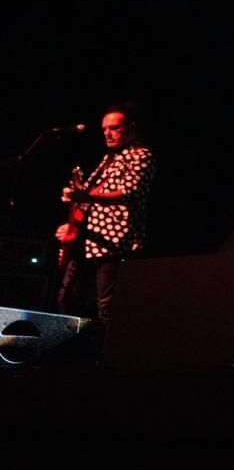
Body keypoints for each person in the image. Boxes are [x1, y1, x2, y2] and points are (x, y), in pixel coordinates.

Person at [55, 103, 156, 328]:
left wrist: (83, 195)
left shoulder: (141, 155)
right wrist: (72, 221)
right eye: (104, 129)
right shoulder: (108, 159)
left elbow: (128, 193)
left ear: (131, 128)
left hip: (114, 242)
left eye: (114, 128)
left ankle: (106, 356)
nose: (107, 133)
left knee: (107, 305)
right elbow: (89, 199)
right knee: (66, 297)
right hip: (88, 238)